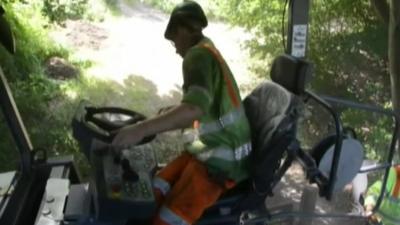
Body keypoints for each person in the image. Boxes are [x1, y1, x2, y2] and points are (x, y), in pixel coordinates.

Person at [112, 1, 252, 224]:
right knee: (156, 187)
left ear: (183, 30)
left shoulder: (197, 56)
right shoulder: (208, 49)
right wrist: (174, 111)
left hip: (220, 166)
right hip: (212, 150)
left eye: (174, 38)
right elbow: (200, 104)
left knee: (167, 218)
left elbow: (193, 110)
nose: (175, 46)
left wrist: (139, 130)